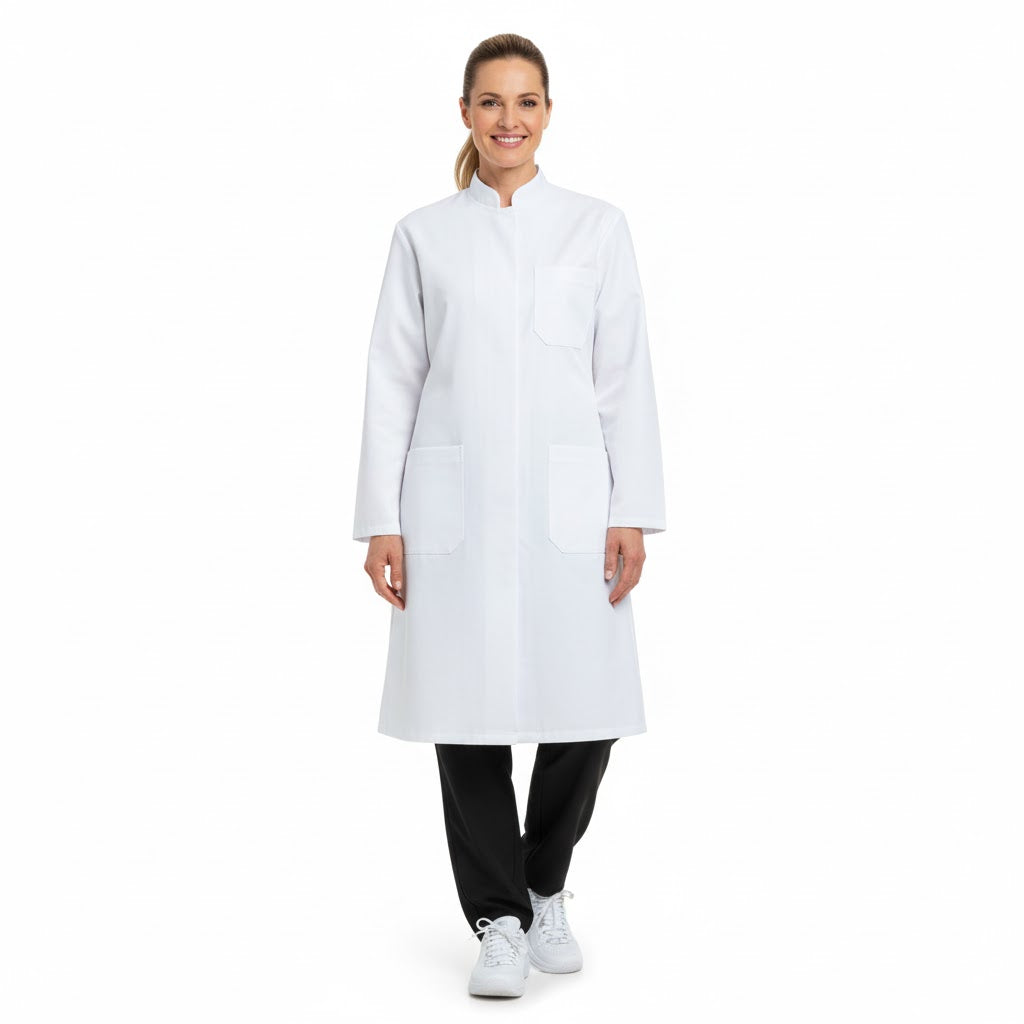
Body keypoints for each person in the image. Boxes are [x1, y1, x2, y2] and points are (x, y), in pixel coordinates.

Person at [353, 33, 666, 999]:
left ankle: (542, 883)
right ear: (464, 113)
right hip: (454, 506)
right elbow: (393, 378)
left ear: (548, 113)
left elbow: (625, 375)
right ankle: (497, 918)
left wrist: (632, 508)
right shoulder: (423, 235)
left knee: (589, 711)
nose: (508, 120)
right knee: (466, 714)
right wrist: (382, 520)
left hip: (572, 509)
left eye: (526, 102)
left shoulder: (597, 229)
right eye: (490, 102)